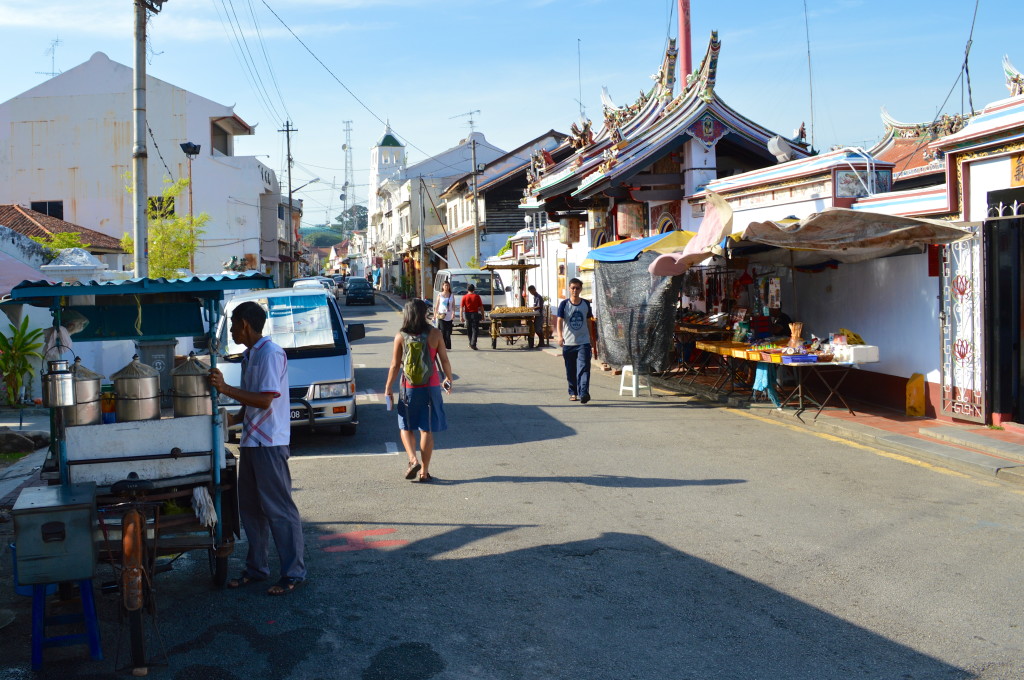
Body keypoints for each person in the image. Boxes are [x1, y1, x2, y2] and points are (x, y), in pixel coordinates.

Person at [209, 301, 306, 596]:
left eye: (234, 325)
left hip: (269, 442)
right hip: (252, 440)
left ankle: (293, 572)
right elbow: (251, 400)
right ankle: (257, 567)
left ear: (246, 325)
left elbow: (265, 400)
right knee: (250, 509)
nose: (233, 331)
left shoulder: (271, 353)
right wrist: (236, 417)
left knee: (279, 510)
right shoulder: (250, 356)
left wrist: (224, 389)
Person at [383, 299, 454, 483]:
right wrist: (448, 378)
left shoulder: (401, 336)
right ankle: (424, 471)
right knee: (426, 429)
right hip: (430, 387)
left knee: (405, 426)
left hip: (408, 388)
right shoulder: (435, 334)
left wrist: (388, 387)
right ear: (423, 314)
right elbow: (444, 360)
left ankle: (412, 459)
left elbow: (394, 365)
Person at [555, 278, 598, 404]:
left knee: (584, 368)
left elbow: (589, 321)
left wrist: (591, 337)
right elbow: (559, 320)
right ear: (569, 289)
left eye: (577, 288)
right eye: (573, 288)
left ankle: (584, 392)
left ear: (581, 289)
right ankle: (573, 392)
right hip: (568, 343)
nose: (575, 290)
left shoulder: (585, 304)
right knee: (571, 369)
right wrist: (560, 336)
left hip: (583, 342)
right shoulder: (564, 304)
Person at [459, 283, 484, 350]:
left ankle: (471, 343)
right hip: (475, 314)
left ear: (467, 289)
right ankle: (473, 343)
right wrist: (483, 315)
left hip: (467, 314)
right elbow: (481, 307)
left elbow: (461, 307)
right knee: (475, 329)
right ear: (474, 289)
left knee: (469, 329)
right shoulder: (477, 296)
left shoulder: (464, 297)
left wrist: (461, 316)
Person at [434, 280, 455, 350]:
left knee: (448, 332)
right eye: (445, 285)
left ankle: (448, 346)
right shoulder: (440, 295)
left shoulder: (451, 295)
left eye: (448, 285)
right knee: (443, 331)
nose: (446, 287)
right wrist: (435, 315)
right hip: (441, 315)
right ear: (443, 286)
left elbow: (453, 306)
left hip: (449, 316)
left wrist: (453, 313)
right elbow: (437, 305)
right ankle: (442, 346)